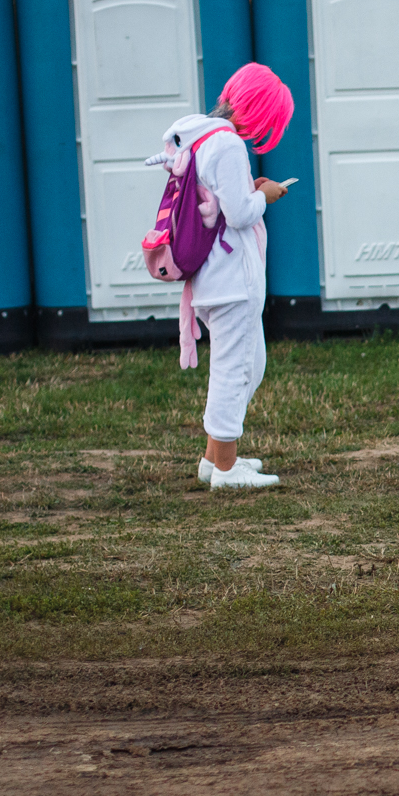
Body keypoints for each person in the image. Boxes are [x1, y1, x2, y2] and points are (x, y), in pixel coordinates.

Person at [152, 63, 294, 489]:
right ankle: (227, 471)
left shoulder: (202, 139)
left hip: (214, 278)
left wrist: (250, 187)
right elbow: (238, 213)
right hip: (232, 280)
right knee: (234, 370)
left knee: (252, 364)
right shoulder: (229, 145)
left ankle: (215, 458)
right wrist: (264, 196)